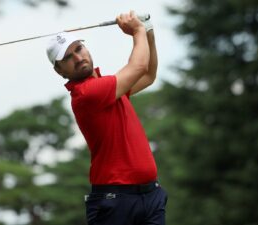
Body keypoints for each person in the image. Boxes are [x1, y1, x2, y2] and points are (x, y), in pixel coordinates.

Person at [46, 11, 167, 225]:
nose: (77, 57)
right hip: (116, 201)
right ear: (59, 70)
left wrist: (148, 31)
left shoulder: (110, 88)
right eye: (67, 57)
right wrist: (137, 30)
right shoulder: (87, 93)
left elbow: (148, 75)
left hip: (150, 195)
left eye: (79, 48)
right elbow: (138, 67)